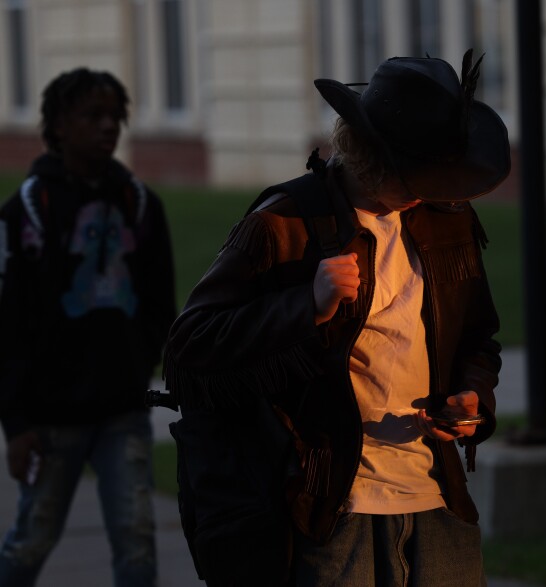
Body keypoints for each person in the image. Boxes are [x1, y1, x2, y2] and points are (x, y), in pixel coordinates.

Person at [163, 50, 509, 586]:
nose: (430, 192)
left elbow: (477, 339)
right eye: (419, 175)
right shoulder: (284, 222)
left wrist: (471, 400)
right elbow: (189, 347)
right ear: (374, 156)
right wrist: (305, 307)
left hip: (436, 496)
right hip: (328, 505)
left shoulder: (446, 220)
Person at [0, 68, 176, 586]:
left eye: (114, 117)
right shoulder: (27, 212)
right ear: (57, 126)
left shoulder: (141, 205)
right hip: (50, 418)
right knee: (31, 541)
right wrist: (16, 425)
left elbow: (160, 305)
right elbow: (7, 326)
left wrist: (140, 362)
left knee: (137, 540)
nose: (108, 127)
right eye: (91, 116)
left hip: (122, 411)